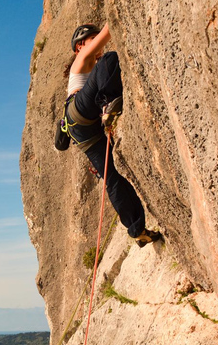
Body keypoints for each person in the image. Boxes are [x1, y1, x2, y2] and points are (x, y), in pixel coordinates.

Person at [63, 23, 161, 247]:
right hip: (79, 113)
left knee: (113, 179)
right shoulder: (82, 60)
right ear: (80, 46)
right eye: (92, 38)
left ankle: (136, 229)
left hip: (85, 133)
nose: (96, 42)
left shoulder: (89, 65)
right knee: (109, 59)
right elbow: (107, 37)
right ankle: (108, 104)